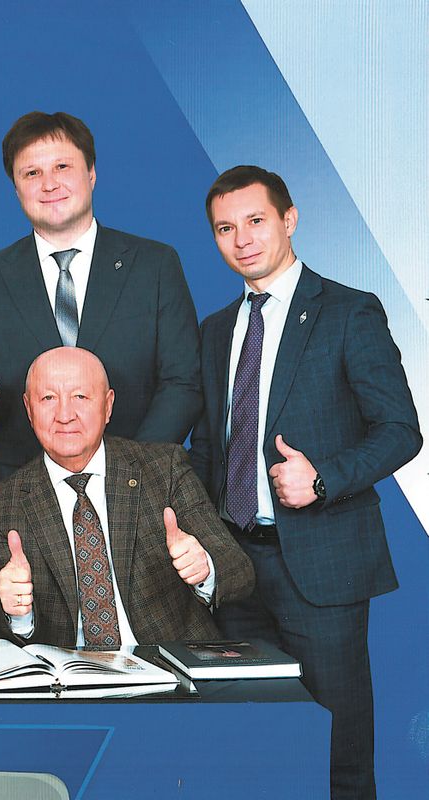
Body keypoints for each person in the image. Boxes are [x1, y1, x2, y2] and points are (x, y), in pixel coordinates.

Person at [190, 165, 421, 800]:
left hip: (322, 566)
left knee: (339, 754)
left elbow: (401, 430)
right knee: (253, 752)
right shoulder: (216, 330)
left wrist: (323, 480)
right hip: (234, 568)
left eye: (256, 221)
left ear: (289, 220)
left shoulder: (348, 311)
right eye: (225, 229)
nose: (242, 239)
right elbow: (210, 445)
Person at [0, 111, 201, 487]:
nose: (49, 184)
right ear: (15, 188)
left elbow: (183, 382)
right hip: (23, 496)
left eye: (62, 167)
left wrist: (132, 472)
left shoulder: (154, 266)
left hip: (140, 489)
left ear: (91, 173)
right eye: (32, 173)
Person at [0, 347, 253, 648]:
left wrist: (205, 568)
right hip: (69, 673)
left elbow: (238, 570)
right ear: (29, 409)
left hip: (169, 666)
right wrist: (17, 613)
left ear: (108, 405)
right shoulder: (1, 506)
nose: (65, 415)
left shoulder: (165, 469)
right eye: (48, 398)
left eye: (80, 396)